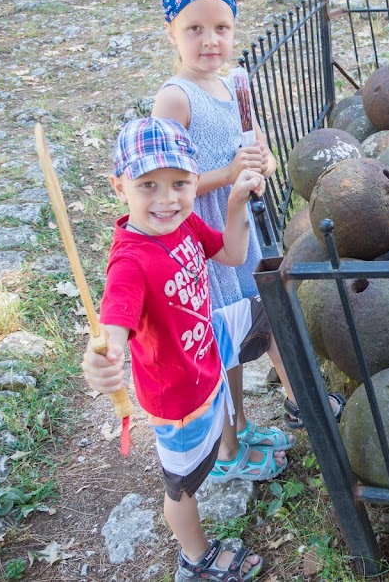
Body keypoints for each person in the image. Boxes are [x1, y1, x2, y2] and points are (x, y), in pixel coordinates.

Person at [149, 0, 343, 433]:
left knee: (269, 309)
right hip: (208, 234)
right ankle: (234, 431)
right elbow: (163, 189)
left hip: (245, 224)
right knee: (226, 330)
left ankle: (301, 401)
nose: (210, 40)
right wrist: (228, 173)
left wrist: (265, 161)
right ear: (172, 32)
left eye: (221, 27)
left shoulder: (235, 82)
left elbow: (251, 142)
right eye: (194, 28)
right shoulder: (174, 98)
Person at [82, 117, 279, 580]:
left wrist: (233, 202)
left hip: (205, 344)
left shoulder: (185, 221)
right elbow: (114, 326)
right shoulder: (130, 260)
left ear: (193, 181)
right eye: (148, 184)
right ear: (119, 186)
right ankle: (196, 559)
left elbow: (231, 254)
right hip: (177, 395)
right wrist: (103, 358)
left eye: (179, 183)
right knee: (184, 486)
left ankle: (286, 415)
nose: (167, 198)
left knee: (269, 311)